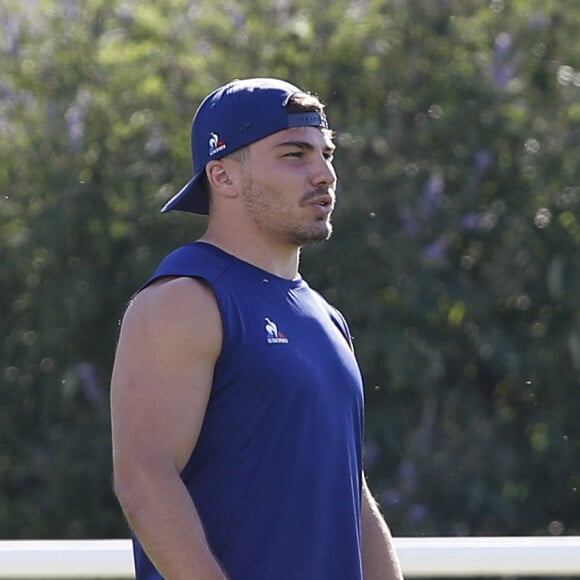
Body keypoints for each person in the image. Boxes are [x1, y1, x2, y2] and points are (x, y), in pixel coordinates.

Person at [110, 77, 404, 580]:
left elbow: (347, 489)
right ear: (223, 177)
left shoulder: (327, 317)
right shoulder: (185, 300)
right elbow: (143, 479)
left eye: (326, 153)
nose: (324, 173)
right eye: (294, 154)